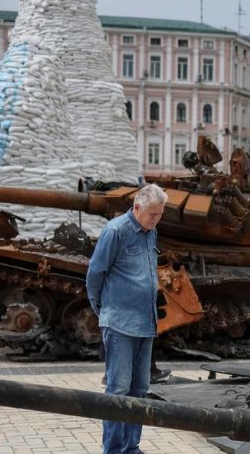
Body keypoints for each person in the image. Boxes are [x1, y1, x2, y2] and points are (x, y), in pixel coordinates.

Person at [86, 184, 168, 454]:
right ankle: (113, 450)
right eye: (151, 214)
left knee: (140, 389)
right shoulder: (116, 231)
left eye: (159, 214)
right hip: (119, 323)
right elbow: (95, 274)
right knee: (118, 390)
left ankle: (131, 447)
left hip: (146, 324)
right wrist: (103, 312)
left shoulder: (151, 231)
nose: (155, 219)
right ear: (136, 208)